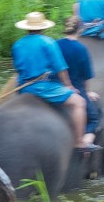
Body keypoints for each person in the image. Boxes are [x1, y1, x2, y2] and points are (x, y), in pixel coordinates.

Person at [10, 11, 92, 149]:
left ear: (27, 28)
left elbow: (18, 69)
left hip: (24, 86)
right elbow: (61, 68)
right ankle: (79, 141)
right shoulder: (48, 42)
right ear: (43, 27)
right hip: (44, 87)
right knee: (79, 103)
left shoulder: (17, 45)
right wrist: (68, 86)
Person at [58, 18, 103, 139]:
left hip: (56, 85)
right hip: (76, 87)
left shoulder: (56, 44)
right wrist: (87, 92)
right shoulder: (81, 49)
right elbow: (86, 75)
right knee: (94, 118)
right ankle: (85, 145)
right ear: (80, 29)